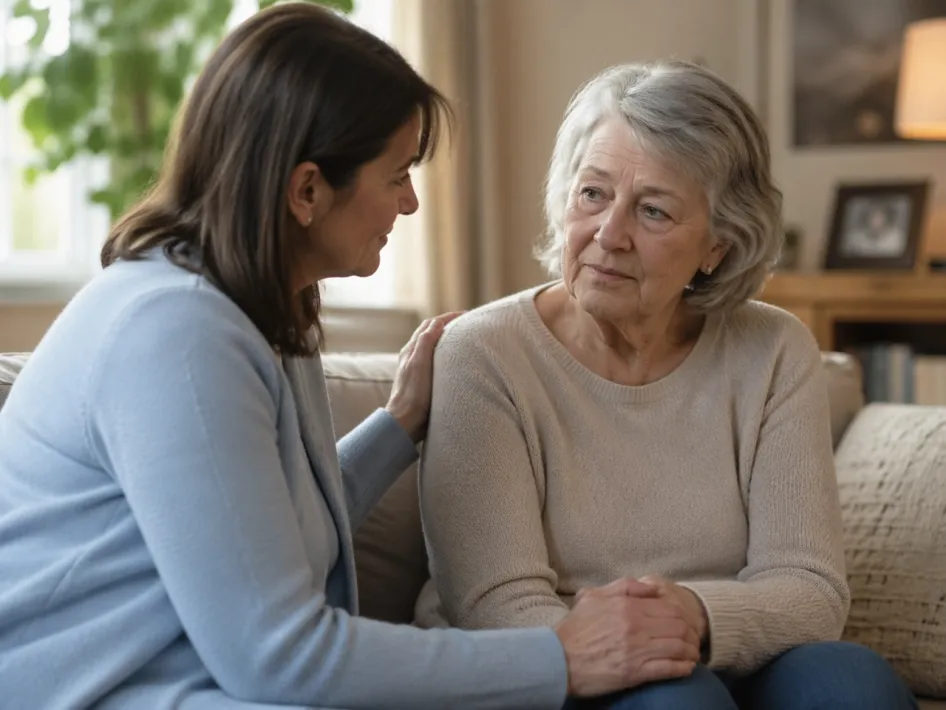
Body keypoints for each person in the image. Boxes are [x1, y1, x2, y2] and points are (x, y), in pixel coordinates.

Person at [0, 8, 702, 709]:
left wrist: (400, 425)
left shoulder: (261, 307)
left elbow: (260, 527)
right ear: (307, 190)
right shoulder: (176, 336)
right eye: (396, 174)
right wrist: (561, 657)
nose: (411, 201)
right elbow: (280, 655)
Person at [417, 61, 919, 709]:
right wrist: (633, 643)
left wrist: (692, 613)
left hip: (725, 652)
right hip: (555, 668)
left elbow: (809, 588)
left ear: (718, 245)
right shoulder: (484, 353)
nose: (609, 234)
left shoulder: (774, 349)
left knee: (854, 685)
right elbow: (493, 605)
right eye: (592, 194)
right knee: (677, 701)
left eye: (653, 211)